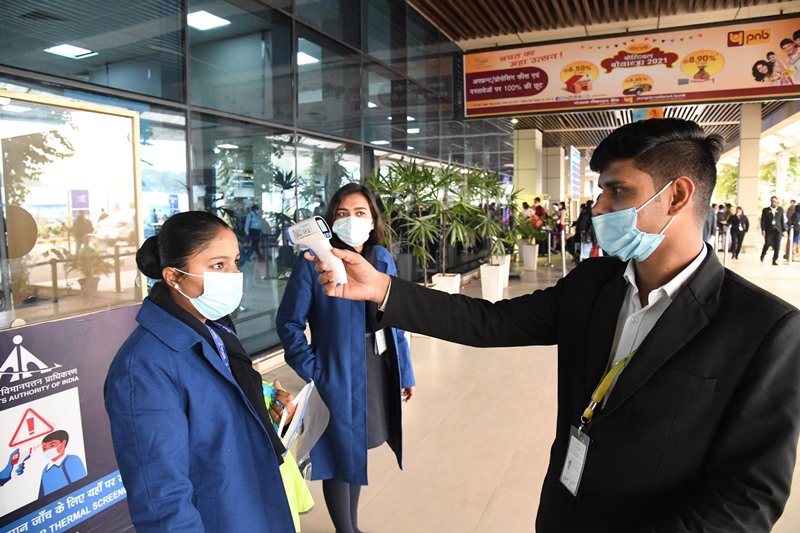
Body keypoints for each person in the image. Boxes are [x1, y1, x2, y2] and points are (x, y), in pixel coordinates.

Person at [307, 118, 800, 531]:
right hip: (563, 512)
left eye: (617, 190)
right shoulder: (594, 283)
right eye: (600, 189)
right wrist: (383, 290)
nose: (599, 206)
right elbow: (488, 321)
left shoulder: (763, 329)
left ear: (676, 196)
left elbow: (748, 496)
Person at [104, 210, 296, 532]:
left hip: (254, 499)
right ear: (173, 277)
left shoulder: (217, 329)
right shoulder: (143, 368)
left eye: (235, 261)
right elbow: (163, 503)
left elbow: (217, 420)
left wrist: (263, 414)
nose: (234, 274)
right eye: (218, 265)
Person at [276, 183, 415, 533]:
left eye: (359, 213)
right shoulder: (313, 263)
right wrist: (314, 369)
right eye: (342, 213)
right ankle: (346, 529)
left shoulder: (381, 258)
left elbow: (396, 321)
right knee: (338, 450)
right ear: (330, 220)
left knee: (359, 444)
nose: (351, 220)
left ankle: (352, 526)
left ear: (372, 221)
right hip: (335, 371)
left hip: (376, 366)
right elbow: (289, 322)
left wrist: (405, 372)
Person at [38, 430, 87, 497]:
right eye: (44, 448)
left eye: (52, 445)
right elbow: (41, 495)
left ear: (63, 443)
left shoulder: (71, 460)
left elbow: (82, 486)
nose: (48, 450)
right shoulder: (45, 470)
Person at [760, 196, 787, 265]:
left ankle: (774, 260)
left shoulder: (780, 210)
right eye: (773, 201)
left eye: (775, 201)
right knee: (767, 243)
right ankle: (763, 254)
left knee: (777, 245)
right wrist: (763, 229)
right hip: (769, 230)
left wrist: (784, 230)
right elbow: (763, 220)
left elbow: (782, 221)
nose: (774, 203)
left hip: (778, 230)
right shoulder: (766, 210)